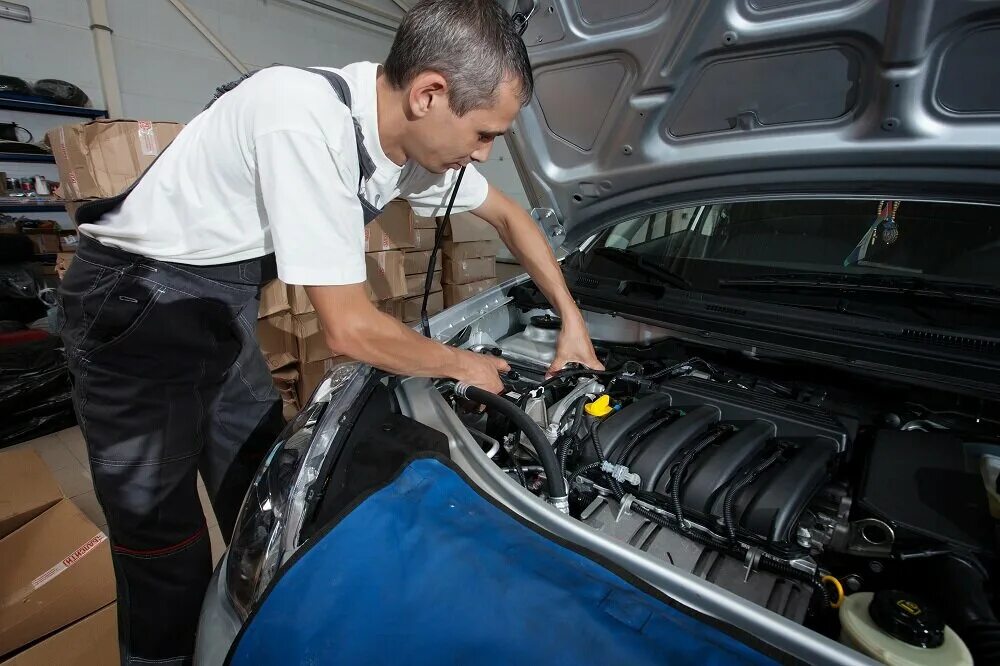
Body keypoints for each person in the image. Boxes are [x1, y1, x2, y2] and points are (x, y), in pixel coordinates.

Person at [57, 0, 602, 663]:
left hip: (215, 304)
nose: (483, 153)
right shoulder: (301, 116)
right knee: (162, 539)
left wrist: (571, 321)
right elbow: (346, 328)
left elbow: (512, 217)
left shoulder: (403, 157)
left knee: (264, 486)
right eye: (484, 134)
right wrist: (462, 365)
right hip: (134, 303)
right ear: (430, 93)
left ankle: (260, 632)